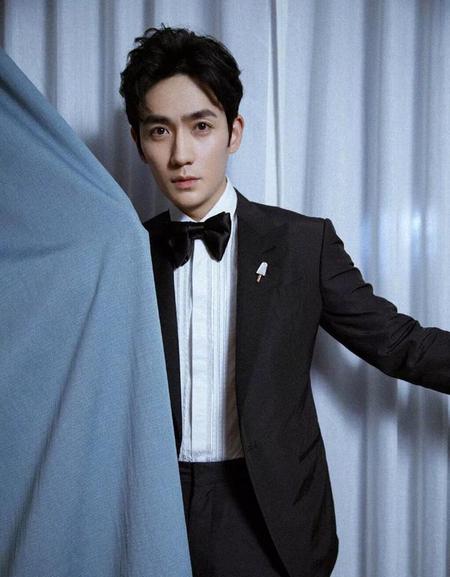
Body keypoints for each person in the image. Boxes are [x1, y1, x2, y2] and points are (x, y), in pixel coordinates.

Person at [119, 26, 450, 577]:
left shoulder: (302, 244)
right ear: (138, 142)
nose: (180, 155)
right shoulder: (123, 253)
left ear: (234, 132)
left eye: (201, 126)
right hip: (152, 508)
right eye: (159, 131)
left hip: (269, 514)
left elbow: (400, 344)